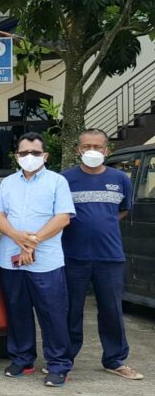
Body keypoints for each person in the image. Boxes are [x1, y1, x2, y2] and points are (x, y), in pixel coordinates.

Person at [0, 132, 76, 387]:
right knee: (17, 311)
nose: (29, 157)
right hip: (11, 259)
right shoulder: (8, 183)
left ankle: (58, 364)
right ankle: (22, 358)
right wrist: (17, 237)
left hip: (46, 261)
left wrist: (33, 241)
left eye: (35, 153)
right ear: (17, 156)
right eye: (24, 153)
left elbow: (63, 217)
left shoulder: (57, 182)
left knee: (52, 313)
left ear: (45, 156)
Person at [62, 129, 143, 380]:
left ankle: (115, 359)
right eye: (86, 146)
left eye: (97, 147)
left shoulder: (120, 179)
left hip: (109, 257)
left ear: (107, 150)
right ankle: (63, 359)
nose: (92, 151)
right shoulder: (64, 180)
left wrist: (101, 224)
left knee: (111, 310)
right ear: (78, 149)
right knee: (70, 310)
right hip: (73, 256)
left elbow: (123, 210)